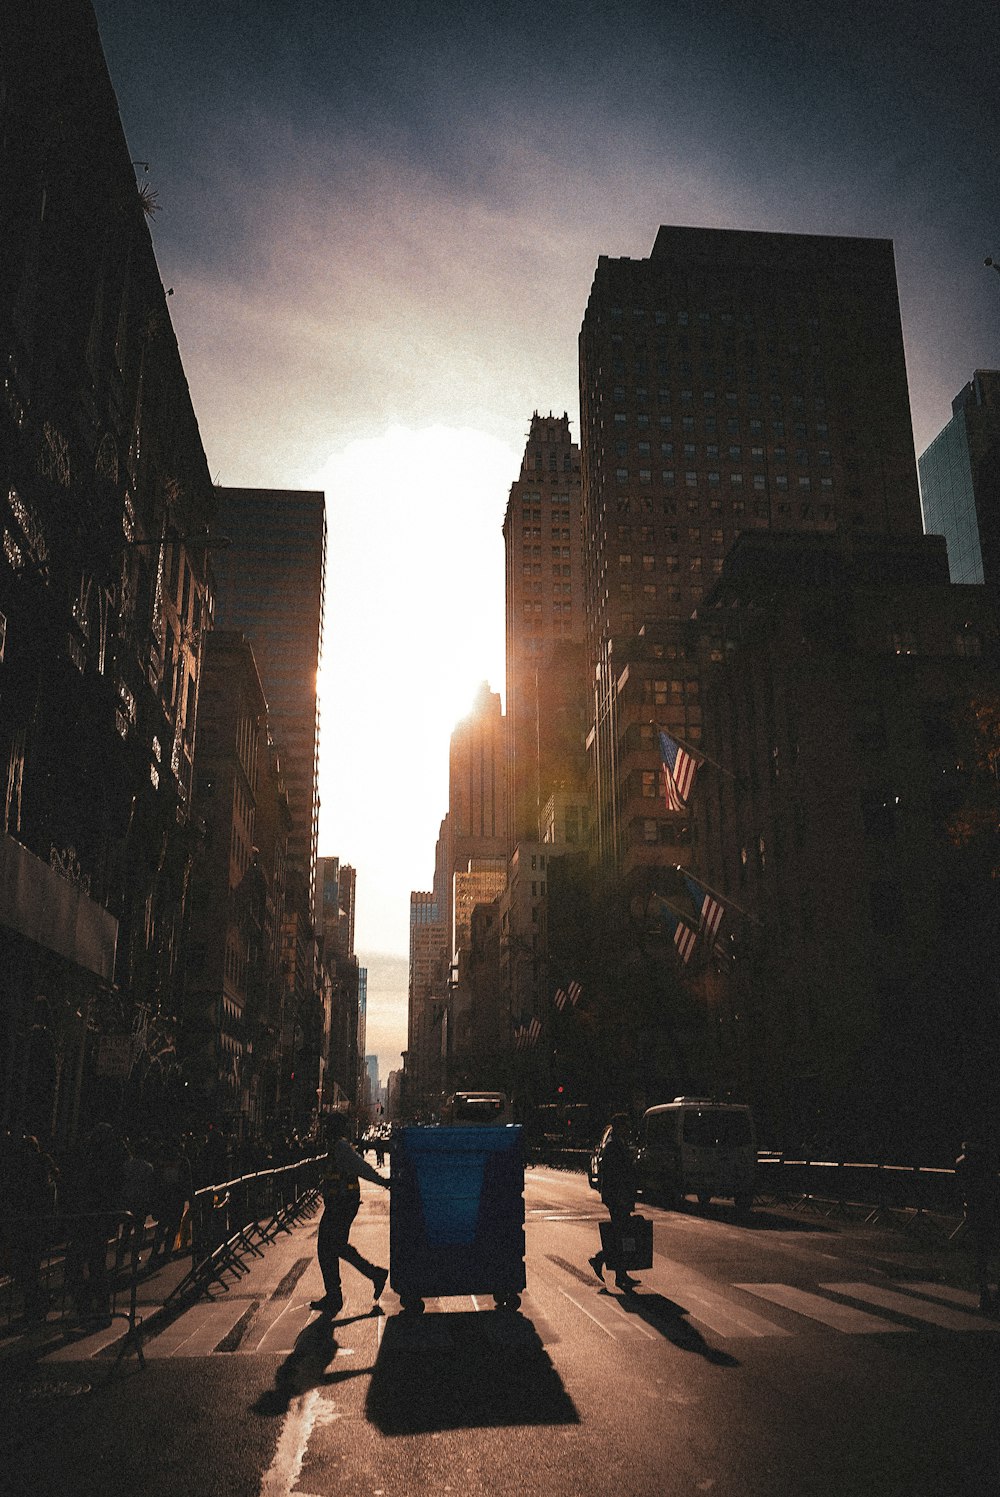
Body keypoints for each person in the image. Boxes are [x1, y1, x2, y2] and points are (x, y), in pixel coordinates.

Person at [311, 1113, 390, 1318]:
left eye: (327, 1126)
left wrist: (383, 1181)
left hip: (342, 1204)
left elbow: (361, 1168)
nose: (324, 1129)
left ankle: (339, 1293)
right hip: (340, 1203)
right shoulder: (335, 1147)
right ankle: (371, 1276)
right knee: (335, 1247)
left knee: (328, 1246)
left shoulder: (341, 1148)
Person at [589, 1112, 640, 1291]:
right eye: (626, 1126)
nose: (629, 1129)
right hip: (618, 1196)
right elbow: (614, 1175)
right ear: (620, 1127)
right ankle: (602, 1261)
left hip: (619, 1195)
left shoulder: (616, 1143)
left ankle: (619, 1273)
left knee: (622, 1234)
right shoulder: (613, 1145)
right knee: (621, 1234)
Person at [955, 1138, 1000, 1313]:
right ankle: (992, 1295)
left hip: (978, 1213)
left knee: (981, 1256)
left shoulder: (963, 1165)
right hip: (990, 1212)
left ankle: (985, 1294)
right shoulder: (986, 1169)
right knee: (989, 1254)